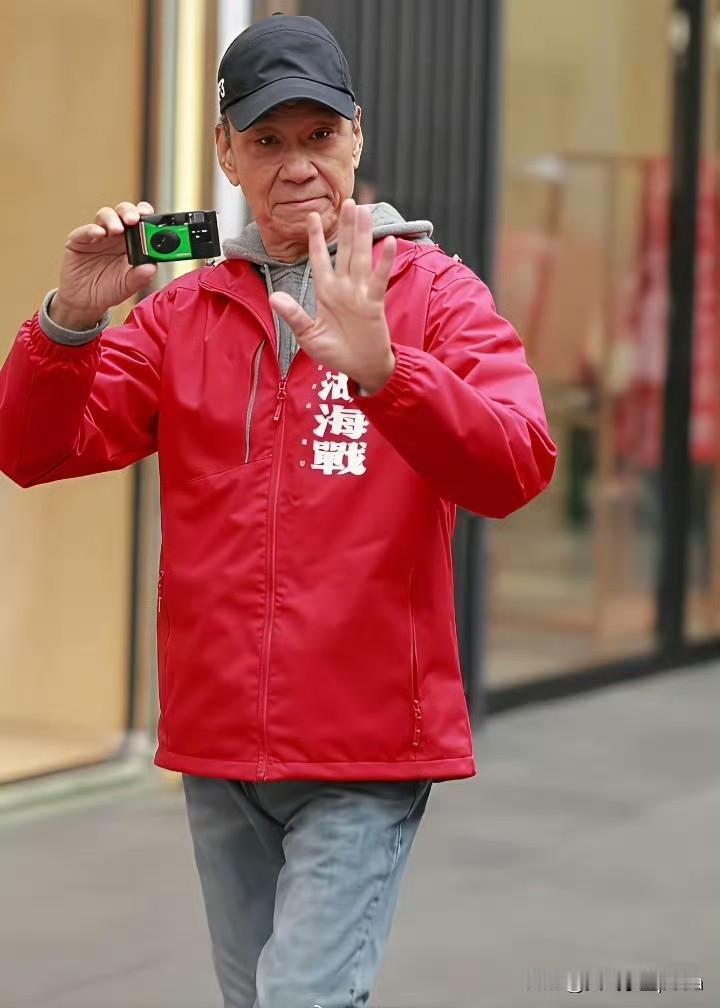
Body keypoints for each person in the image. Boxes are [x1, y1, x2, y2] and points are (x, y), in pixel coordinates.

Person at [0, 14, 557, 1008]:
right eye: (267, 140)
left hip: (366, 748)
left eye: (319, 135)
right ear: (225, 153)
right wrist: (72, 321)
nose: (297, 165)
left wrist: (391, 374)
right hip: (218, 744)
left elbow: (517, 465)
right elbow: (35, 450)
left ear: (357, 135)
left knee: (300, 998)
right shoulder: (184, 311)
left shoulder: (433, 295)